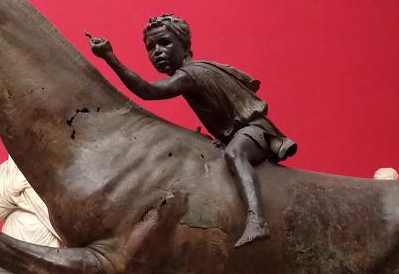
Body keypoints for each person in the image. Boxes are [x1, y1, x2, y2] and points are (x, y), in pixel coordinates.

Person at [87, 14, 296, 247]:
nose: (157, 51)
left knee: (234, 154)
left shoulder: (190, 75)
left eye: (165, 43)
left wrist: (109, 57)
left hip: (255, 131)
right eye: (150, 47)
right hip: (236, 134)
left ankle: (257, 220)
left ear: (184, 45)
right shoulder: (193, 73)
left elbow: (148, 90)